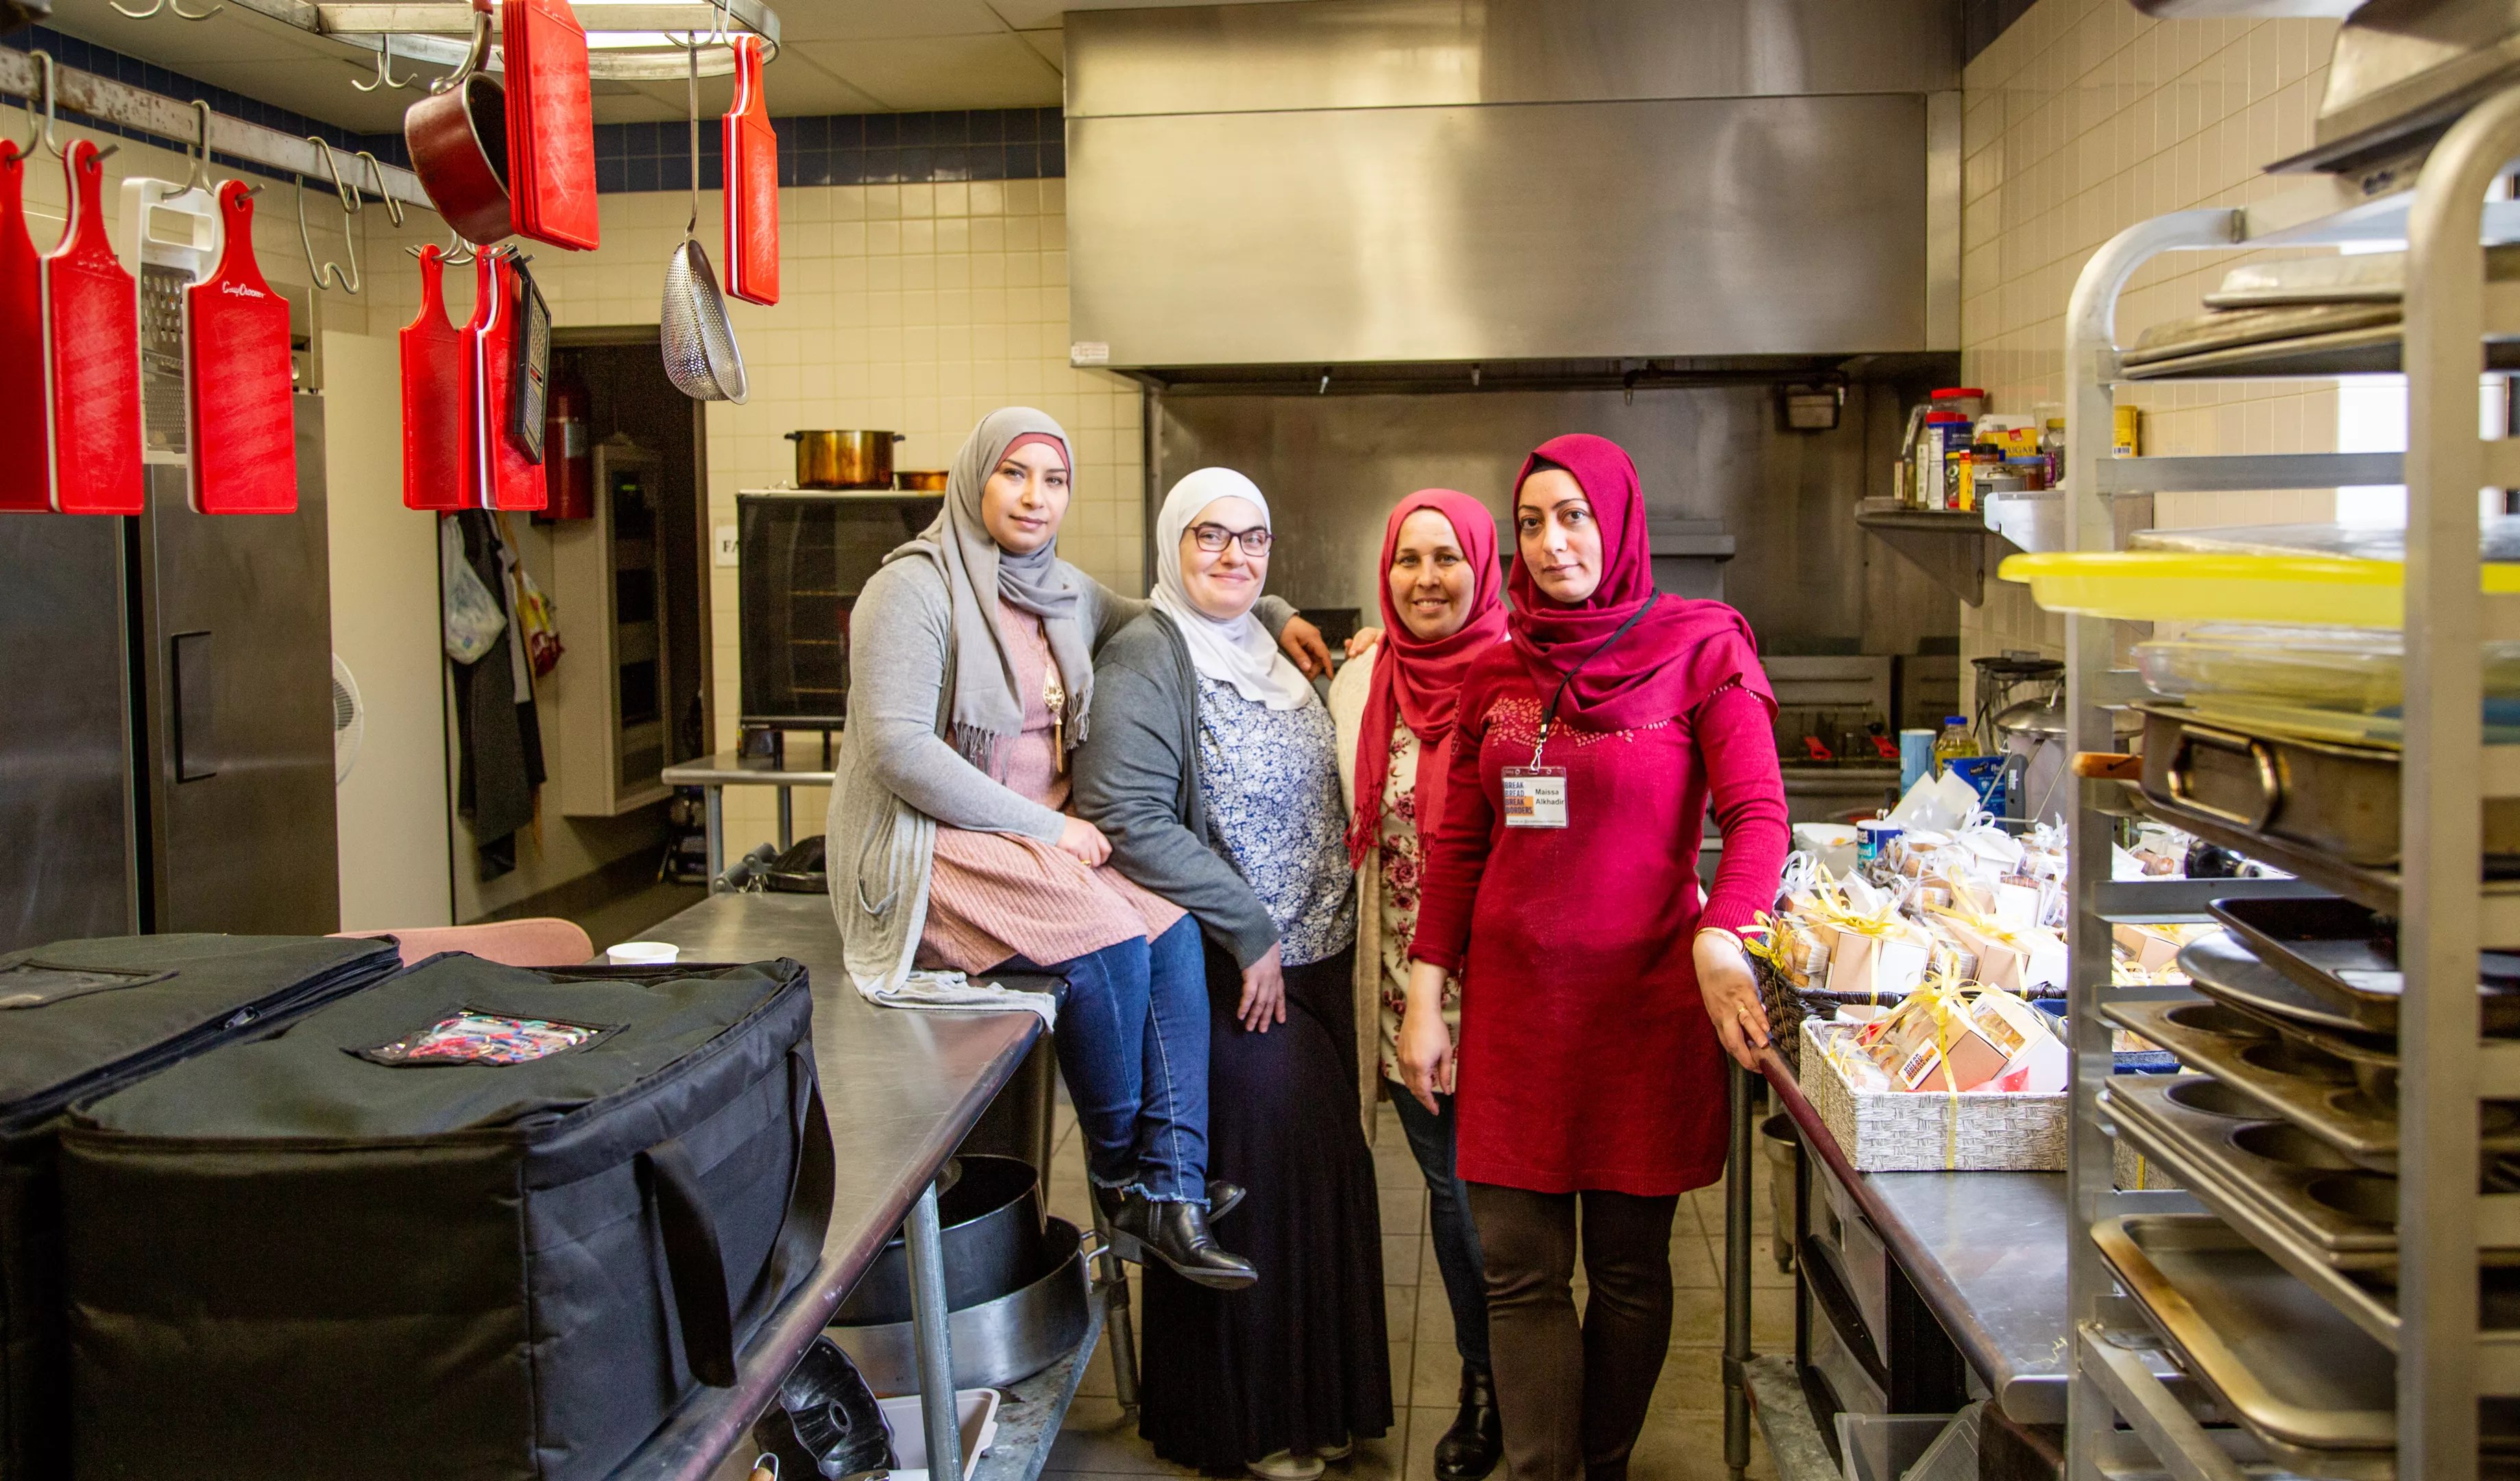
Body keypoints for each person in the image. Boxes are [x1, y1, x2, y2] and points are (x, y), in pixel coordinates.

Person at [823, 409, 1334, 1288]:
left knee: (1170, 926)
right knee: (1108, 941)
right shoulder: (911, 590)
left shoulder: (1060, 590)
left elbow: (1176, 601)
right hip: (937, 844)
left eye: (1054, 480)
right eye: (1014, 474)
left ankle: (1173, 1190)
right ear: (974, 478)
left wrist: (1273, 610)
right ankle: (1119, 1173)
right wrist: (1049, 828)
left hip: (1039, 845)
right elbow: (899, 753)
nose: (1035, 497)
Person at [1398, 435, 1790, 1481]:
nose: (1551, 542)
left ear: (1617, 523)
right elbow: (1460, 845)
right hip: (1517, 1014)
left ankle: (1602, 1462)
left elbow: (1758, 817)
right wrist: (1425, 998)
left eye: (1573, 516)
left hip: (1642, 1011)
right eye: (1531, 523)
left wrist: (1724, 933)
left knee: (1626, 1272)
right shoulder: (1498, 669)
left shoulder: (1703, 650)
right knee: (1518, 1273)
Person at [1072, 467, 1392, 1481]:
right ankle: (1241, 1423)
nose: (1234, 556)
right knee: (1255, 1176)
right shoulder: (1146, 651)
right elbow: (1124, 815)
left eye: (1253, 538)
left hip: (1321, 962)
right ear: (1172, 544)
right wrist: (1248, 928)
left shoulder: (1266, 640)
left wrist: (1283, 610)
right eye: (1209, 535)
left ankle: (1317, 1408)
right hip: (1223, 972)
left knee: (1320, 1176)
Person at [1326, 490, 1510, 1481]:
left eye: (1448, 557)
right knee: (1456, 1199)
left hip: (1515, 1000)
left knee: (1517, 1210)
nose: (1428, 578)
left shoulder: (1523, 674)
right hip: (1409, 999)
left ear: (1484, 566)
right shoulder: (1362, 682)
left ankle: (1538, 1380)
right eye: (1409, 559)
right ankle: (1487, 1386)